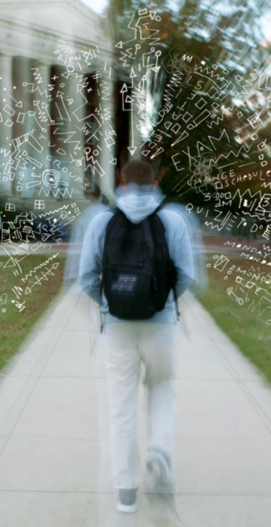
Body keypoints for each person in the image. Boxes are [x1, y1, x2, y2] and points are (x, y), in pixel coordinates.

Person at [79, 160, 195, 514]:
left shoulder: (101, 221)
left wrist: (112, 302)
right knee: (161, 387)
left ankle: (125, 492)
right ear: (155, 181)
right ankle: (159, 449)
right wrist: (161, 302)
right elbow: (186, 275)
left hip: (117, 329)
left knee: (121, 408)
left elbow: (86, 277)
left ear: (122, 181)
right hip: (160, 325)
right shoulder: (172, 219)